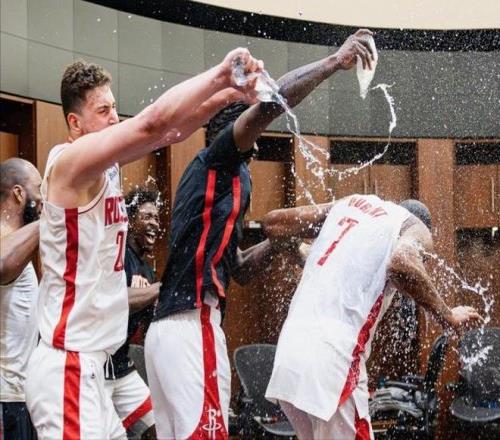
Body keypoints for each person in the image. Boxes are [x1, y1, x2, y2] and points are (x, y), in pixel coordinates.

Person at [145, 29, 377, 440]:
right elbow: (273, 103)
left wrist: (282, 241)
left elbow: (238, 268)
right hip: (191, 325)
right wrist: (334, 61)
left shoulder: (230, 181)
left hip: (170, 331)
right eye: (250, 120)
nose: (258, 132)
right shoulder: (217, 161)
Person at [24, 48, 263, 440]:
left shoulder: (105, 167)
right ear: (75, 123)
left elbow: (170, 133)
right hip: (68, 367)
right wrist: (221, 75)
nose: (114, 118)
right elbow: (153, 122)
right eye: (103, 110)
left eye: (114, 108)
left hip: (95, 370)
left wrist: (230, 97)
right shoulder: (69, 164)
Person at [262, 195, 482, 439]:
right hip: (333, 365)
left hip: (289, 357)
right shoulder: (414, 227)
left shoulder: (351, 205)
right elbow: (401, 263)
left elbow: (274, 223)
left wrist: (303, 255)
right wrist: (448, 317)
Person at [105, 188, 162, 439]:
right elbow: (118, 301)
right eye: (147, 216)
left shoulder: (147, 271)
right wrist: (162, 288)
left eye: (156, 218)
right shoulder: (116, 258)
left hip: (122, 367)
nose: (154, 223)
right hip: (97, 368)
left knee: (157, 429)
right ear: (129, 220)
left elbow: (150, 323)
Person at [0, 158, 42, 440]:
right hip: (5, 397)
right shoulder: (5, 240)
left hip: (20, 395)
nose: (43, 200)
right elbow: (2, 264)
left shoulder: (19, 242)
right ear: (18, 193)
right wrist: (53, 218)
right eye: (38, 189)